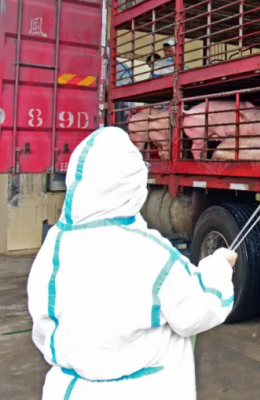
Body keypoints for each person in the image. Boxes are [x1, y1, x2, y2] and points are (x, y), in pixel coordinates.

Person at [27, 127, 237, 400]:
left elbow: (43, 328)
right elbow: (195, 311)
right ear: (133, 184)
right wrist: (219, 266)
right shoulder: (148, 251)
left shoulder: (54, 247)